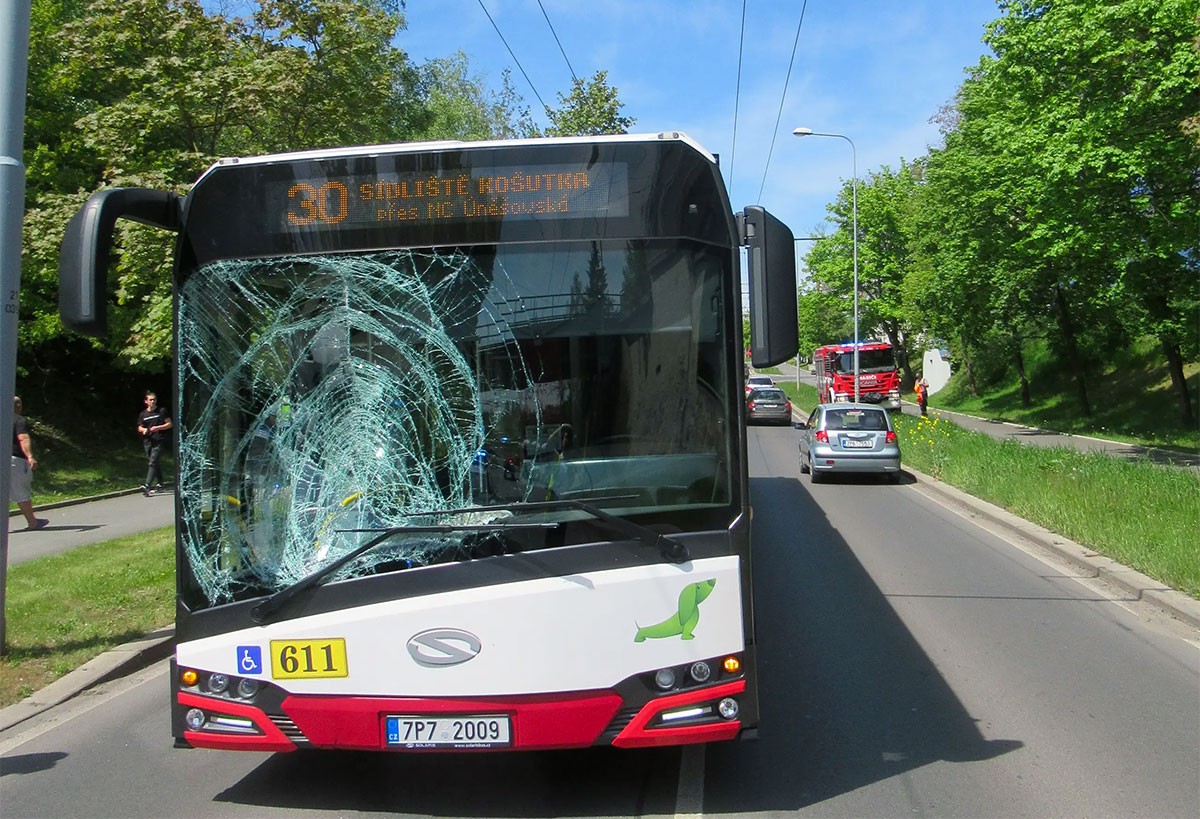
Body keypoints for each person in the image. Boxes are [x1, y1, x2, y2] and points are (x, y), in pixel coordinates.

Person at [11, 395, 49, 530]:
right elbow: (23, 438)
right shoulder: (18, 420)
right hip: (14, 461)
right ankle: (33, 522)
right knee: (21, 491)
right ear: (18, 406)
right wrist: (30, 456)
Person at [137, 391, 173, 496]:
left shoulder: (161, 411)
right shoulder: (143, 414)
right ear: (146, 401)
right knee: (154, 462)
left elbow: (169, 424)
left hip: (159, 439)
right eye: (150, 400)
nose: (153, 401)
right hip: (148, 441)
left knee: (152, 462)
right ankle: (160, 483)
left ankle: (147, 485)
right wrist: (143, 430)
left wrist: (157, 428)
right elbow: (139, 426)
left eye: (154, 400)